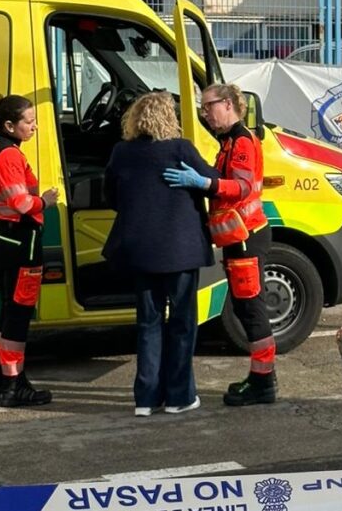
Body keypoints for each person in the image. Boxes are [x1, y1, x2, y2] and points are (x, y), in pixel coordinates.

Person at [103, 91, 219, 417]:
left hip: (140, 251)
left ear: (136, 118)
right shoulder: (180, 148)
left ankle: (146, 398)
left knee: (148, 324)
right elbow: (214, 180)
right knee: (182, 323)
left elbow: (110, 195)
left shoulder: (121, 152)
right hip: (180, 251)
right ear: (169, 118)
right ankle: (180, 396)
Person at [163, 83, 277, 407]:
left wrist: (204, 184)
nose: (205, 113)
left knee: (251, 309)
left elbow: (240, 187)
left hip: (246, 239)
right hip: (239, 238)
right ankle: (263, 376)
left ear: (228, 104)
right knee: (245, 307)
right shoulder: (230, 140)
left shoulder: (241, 141)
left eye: (208, 106)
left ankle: (263, 380)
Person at [0, 95, 58, 408]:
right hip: (20, 241)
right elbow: (21, 204)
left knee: (7, 312)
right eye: (28, 121)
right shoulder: (9, 155)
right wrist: (46, 201)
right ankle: (14, 384)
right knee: (18, 318)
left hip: (0, 237)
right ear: (10, 125)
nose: (34, 125)